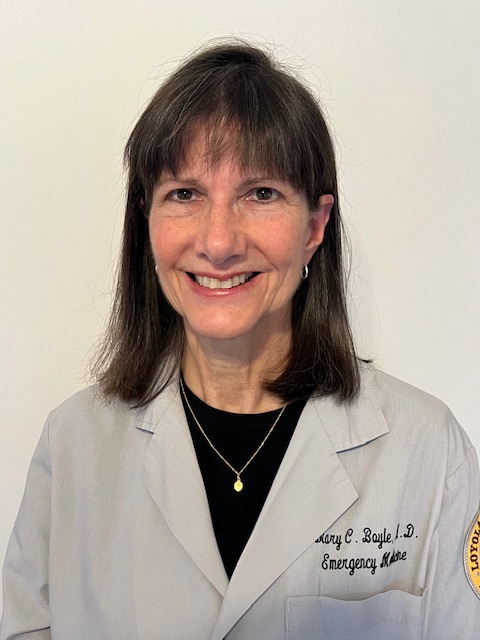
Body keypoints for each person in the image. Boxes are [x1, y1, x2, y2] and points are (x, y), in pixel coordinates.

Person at [1, 41, 479, 640]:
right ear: (146, 221)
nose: (219, 242)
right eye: (184, 194)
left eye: (261, 194)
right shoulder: (73, 445)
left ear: (314, 227)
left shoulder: (429, 453)